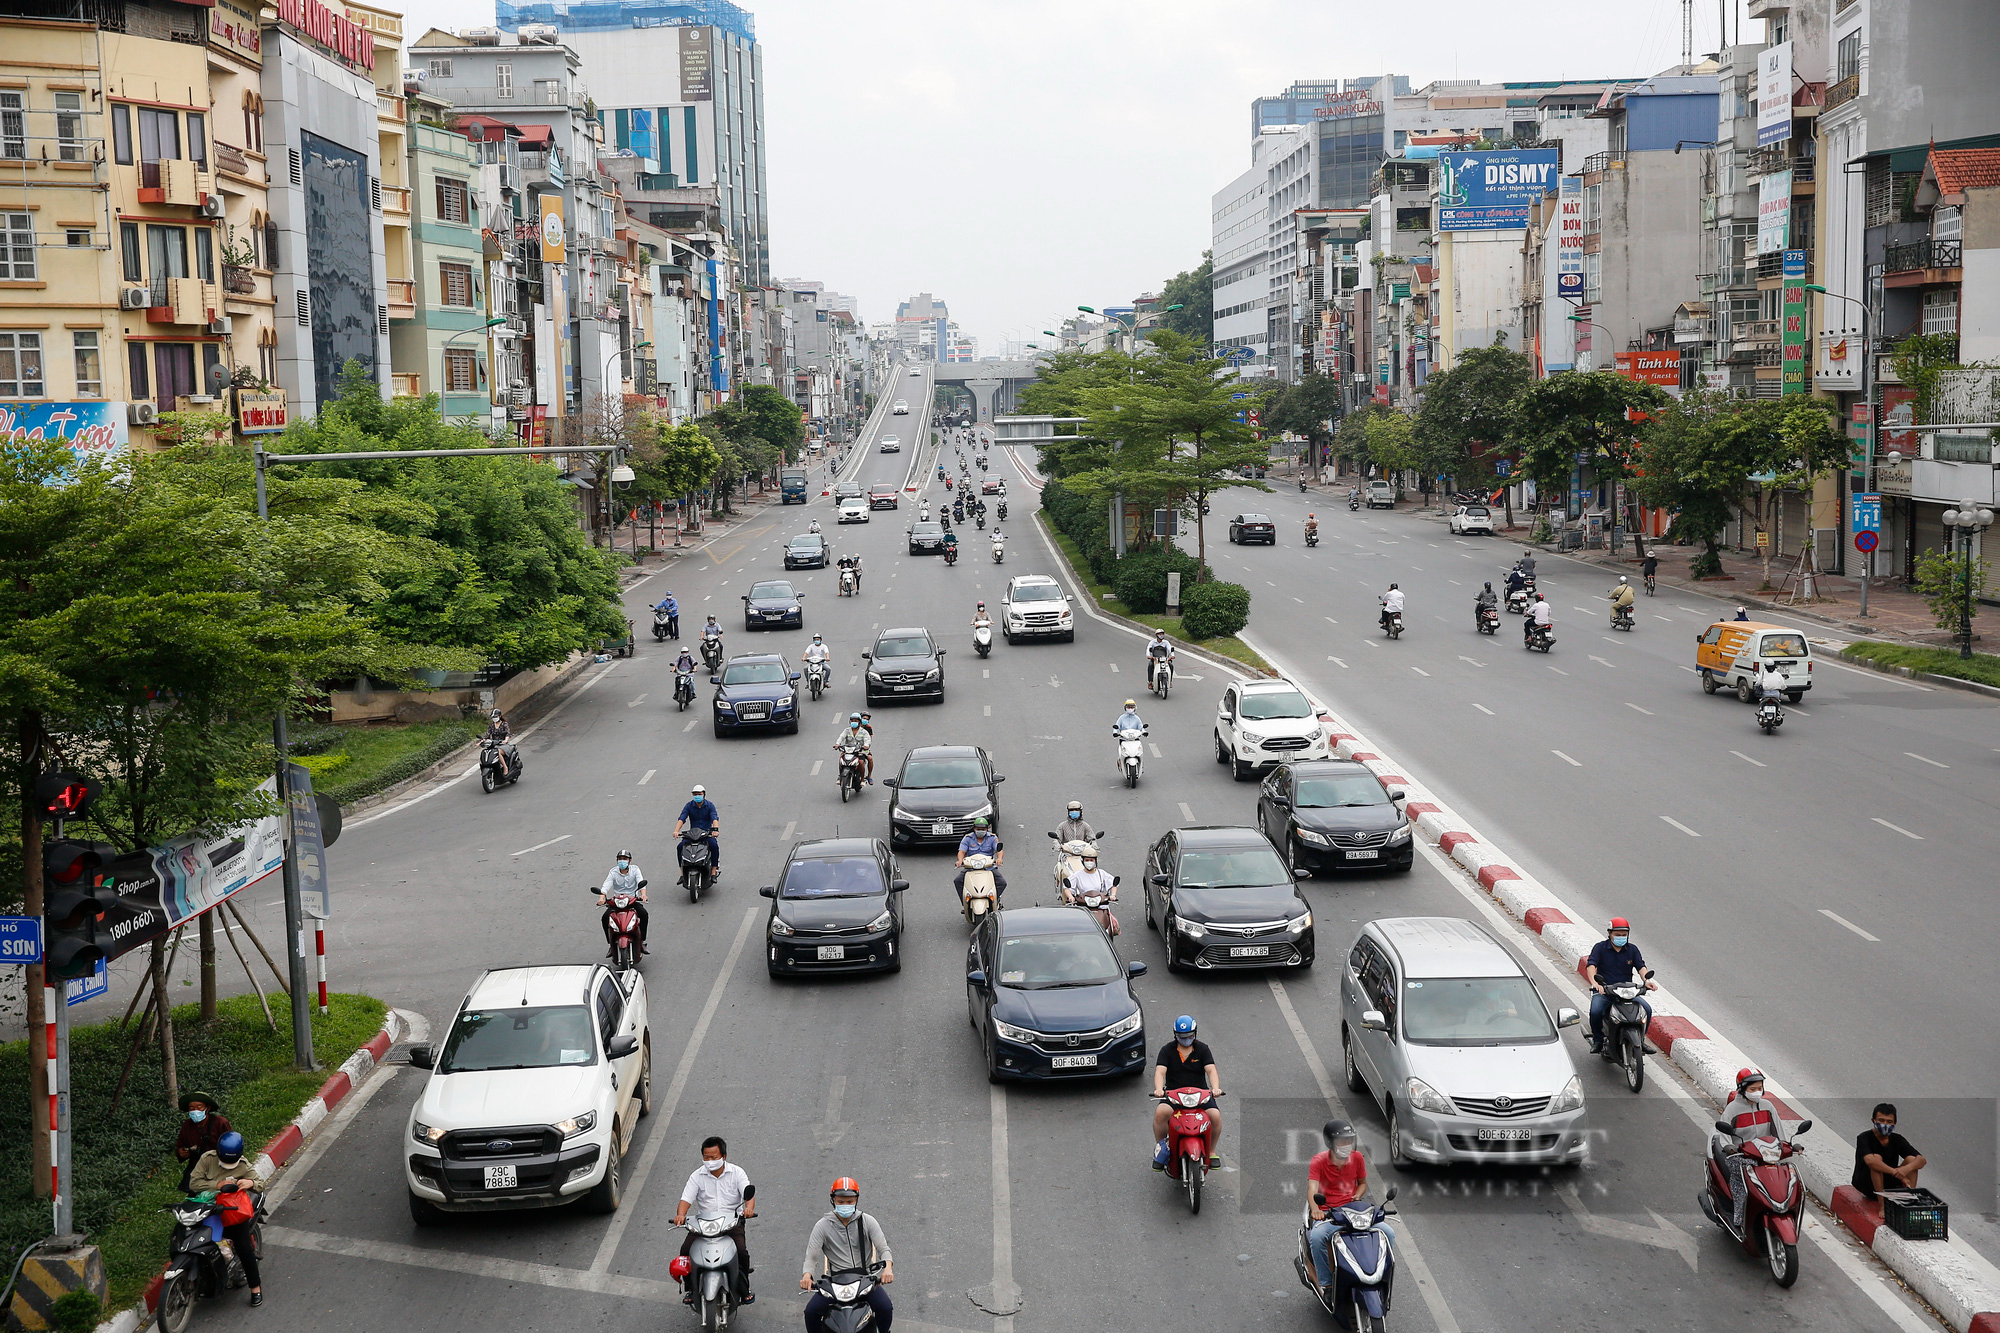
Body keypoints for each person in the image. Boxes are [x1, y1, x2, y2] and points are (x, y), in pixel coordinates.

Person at [1304, 1120, 1395, 1294]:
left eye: (1349, 1141)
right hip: (1328, 1211)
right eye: (1342, 1142)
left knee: (1388, 1232)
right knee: (1316, 1237)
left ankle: (1382, 1274)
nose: (1346, 1145)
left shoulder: (1357, 1158)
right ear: (1330, 1143)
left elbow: (1362, 1184)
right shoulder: (1318, 1161)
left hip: (1353, 1210)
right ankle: (1327, 1284)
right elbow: (1312, 1189)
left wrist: (1358, 1195)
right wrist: (1316, 1209)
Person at [800, 1178, 893, 1332]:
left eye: (850, 1201)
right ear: (833, 1200)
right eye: (841, 1201)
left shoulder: (867, 1221)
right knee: (811, 1312)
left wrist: (888, 1269)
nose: (845, 1205)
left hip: (865, 1280)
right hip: (835, 1281)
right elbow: (811, 1256)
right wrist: (806, 1276)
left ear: (856, 1200)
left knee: (885, 1307)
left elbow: (884, 1249)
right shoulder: (822, 1226)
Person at [673, 1136, 755, 1306]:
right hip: (704, 1224)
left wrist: (749, 1209)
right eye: (706, 1157)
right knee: (685, 1250)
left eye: (714, 1157)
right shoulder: (697, 1176)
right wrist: (681, 1215)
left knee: (740, 1251)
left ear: (723, 1156)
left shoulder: (737, 1173)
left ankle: (744, 1287)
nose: (709, 1161)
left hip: (732, 1222)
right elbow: (685, 1200)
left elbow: (749, 1195)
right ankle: (690, 1287)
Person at [187, 1131, 264, 1307]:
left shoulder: (243, 1165)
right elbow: (194, 1183)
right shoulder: (207, 1159)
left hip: (231, 1210)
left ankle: (255, 1287)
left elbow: (260, 1183)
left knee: (244, 1247)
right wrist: (217, 1185)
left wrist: (250, 1183)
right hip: (206, 1208)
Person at [1715, 1067, 1789, 1231]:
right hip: (1740, 1156)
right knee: (1741, 1185)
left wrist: (1786, 1146)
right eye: (1752, 1089)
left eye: (1759, 1088)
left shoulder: (1767, 1107)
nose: (1757, 1092)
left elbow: (1779, 1133)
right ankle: (1739, 1220)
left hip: (1765, 1155)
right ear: (1742, 1089)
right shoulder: (1732, 1110)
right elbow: (1724, 1135)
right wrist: (1730, 1148)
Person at [1152, 1015, 1223, 1170]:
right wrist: (1159, 1089)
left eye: (1189, 1036)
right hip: (1173, 1095)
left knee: (1215, 1116)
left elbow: (1211, 1070)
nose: (1186, 1039)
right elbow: (1160, 1072)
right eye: (1182, 1037)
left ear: (1195, 1033)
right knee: (1160, 1113)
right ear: (1176, 1035)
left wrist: (1215, 1088)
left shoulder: (1203, 1049)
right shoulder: (1167, 1050)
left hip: (1201, 1096)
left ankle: (1211, 1151)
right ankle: (1163, 1149)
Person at [1583, 917, 1656, 1053]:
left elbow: (1641, 967)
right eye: (1617, 934)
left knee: (1647, 1009)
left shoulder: (1632, 950)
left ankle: (1640, 1041)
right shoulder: (1600, 948)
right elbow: (1591, 966)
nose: (1621, 937)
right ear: (1610, 933)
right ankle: (1598, 1040)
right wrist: (1595, 983)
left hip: (1627, 991)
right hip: (1605, 991)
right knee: (1595, 1011)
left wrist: (1646, 981)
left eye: (1624, 935)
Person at [1852, 1103, 1926, 1200]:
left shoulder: (1897, 1139)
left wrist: (1906, 1169)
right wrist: (1897, 1173)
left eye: (1889, 1121)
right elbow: (1870, 1161)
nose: (1885, 1125)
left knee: (1912, 1160)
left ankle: (1909, 1198)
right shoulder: (1864, 1137)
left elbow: (1921, 1160)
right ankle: (1882, 1205)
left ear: (1894, 1123)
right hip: (1867, 1183)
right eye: (1881, 1120)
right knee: (1877, 1159)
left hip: (1889, 1183)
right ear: (1873, 1120)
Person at [175, 1091, 232, 1193]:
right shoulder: (187, 1125)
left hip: (218, 1167)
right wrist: (181, 1152)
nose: (195, 1110)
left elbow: (231, 1145)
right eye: (191, 1108)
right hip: (197, 1167)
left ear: (207, 1108)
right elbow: (180, 1144)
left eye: (199, 1107)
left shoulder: (220, 1123)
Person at [597, 850, 649, 955]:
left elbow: (641, 882)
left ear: (630, 861)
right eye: (620, 859)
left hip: (631, 900)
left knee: (644, 914)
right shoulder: (613, 872)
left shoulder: (635, 870)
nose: (622, 861)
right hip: (617, 901)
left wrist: (643, 894)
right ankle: (611, 945)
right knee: (605, 918)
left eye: (624, 859)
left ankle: (642, 941)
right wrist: (602, 898)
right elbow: (606, 885)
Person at [1061, 849, 1118, 935]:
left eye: (1091, 860)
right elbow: (1067, 887)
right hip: (1084, 906)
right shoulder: (1077, 875)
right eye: (1087, 860)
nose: (1089, 862)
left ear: (1095, 861)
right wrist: (1070, 897)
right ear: (1083, 861)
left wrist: (1113, 895)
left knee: (1112, 928)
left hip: (1101, 906)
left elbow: (1113, 884)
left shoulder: (1101, 874)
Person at [953, 816, 1006, 900]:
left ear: (987, 828)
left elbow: (999, 850)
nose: (980, 831)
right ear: (974, 828)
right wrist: (960, 861)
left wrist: (999, 859)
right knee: (958, 881)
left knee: (1002, 883)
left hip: (988, 867)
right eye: (978, 829)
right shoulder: (967, 838)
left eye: (983, 829)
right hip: (971, 867)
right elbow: (962, 851)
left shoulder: (992, 838)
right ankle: (965, 903)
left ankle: (994, 899)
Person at [676, 784, 722, 880]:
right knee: (680, 847)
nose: (697, 796)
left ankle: (713, 871)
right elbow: (682, 818)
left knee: (714, 846)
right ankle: (682, 873)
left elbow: (714, 818)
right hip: (692, 834)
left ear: (704, 794)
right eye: (695, 794)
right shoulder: (689, 806)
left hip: (706, 834)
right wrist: (676, 831)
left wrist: (715, 830)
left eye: (699, 794)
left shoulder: (710, 806)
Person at [836, 713, 873, 786]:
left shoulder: (864, 731)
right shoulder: (847, 730)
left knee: (861, 762)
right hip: (848, 750)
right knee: (841, 760)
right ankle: (840, 777)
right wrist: (837, 744)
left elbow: (868, 739)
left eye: (856, 721)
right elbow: (841, 737)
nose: (854, 722)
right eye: (852, 720)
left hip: (860, 751)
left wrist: (866, 745)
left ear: (859, 722)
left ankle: (862, 779)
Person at [484, 710, 520, 780]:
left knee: (497, 751)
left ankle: (505, 767)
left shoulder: (504, 724)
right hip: (494, 744)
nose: (494, 718)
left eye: (495, 716)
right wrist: (482, 741)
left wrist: (505, 740)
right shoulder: (491, 725)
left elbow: (508, 733)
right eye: (493, 717)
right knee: (489, 751)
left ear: (500, 716)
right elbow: (487, 735)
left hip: (503, 745)